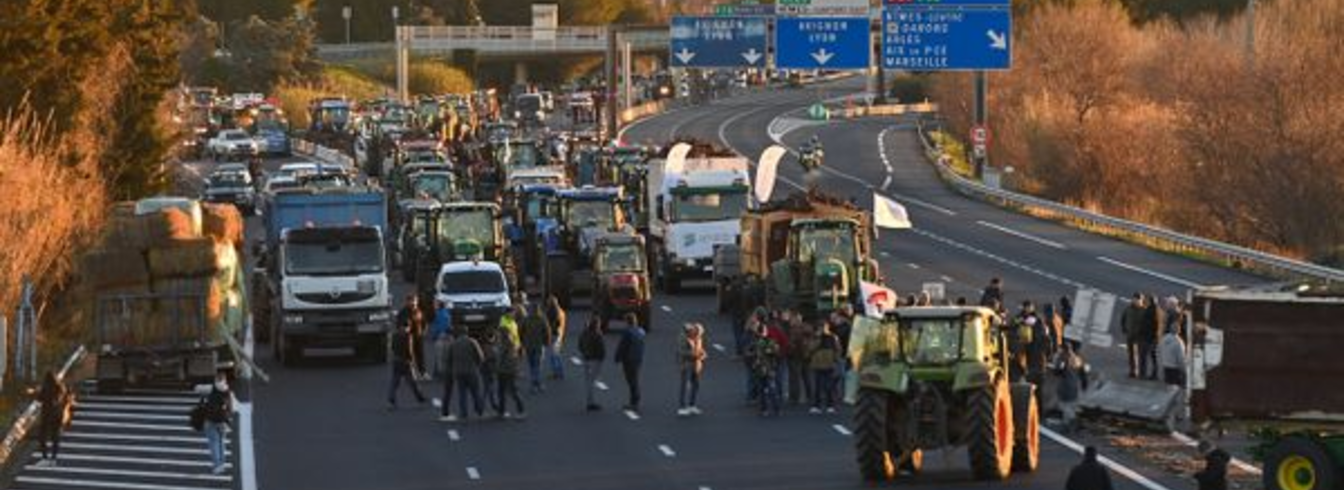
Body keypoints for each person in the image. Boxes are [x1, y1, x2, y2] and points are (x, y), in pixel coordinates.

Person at [442, 328, 486, 422]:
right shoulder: (472, 342)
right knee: (476, 392)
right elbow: (480, 356)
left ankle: (463, 414)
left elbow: (449, 359)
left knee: (462, 394)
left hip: (458, 372)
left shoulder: (454, 344)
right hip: (471, 370)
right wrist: (477, 365)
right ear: (467, 333)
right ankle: (479, 411)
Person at [388, 318, 428, 409]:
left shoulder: (394, 335)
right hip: (405, 361)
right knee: (412, 382)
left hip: (396, 360)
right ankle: (420, 398)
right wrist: (412, 360)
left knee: (395, 381)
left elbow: (392, 347)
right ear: (407, 327)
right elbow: (409, 349)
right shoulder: (407, 336)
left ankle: (391, 398)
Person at [33, 371, 69, 467]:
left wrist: (35, 391)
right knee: (55, 437)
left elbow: (39, 399)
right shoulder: (61, 387)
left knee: (42, 437)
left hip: (47, 415)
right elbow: (66, 399)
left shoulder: (46, 388)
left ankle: (45, 458)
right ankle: (54, 459)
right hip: (58, 415)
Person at [614, 313, 647, 413]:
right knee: (634, 379)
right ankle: (634, 401)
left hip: (629, 360)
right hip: (638, 358)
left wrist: (617, 357)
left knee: (632, 381)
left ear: (627, 322)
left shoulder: (627, 332)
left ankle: (634, 402)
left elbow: (623, 346)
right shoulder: (641, 331)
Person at [202, 371, 233, 475]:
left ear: (216, 380)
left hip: (211, 421)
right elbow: (230, 409)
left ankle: (217, 465)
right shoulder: (227, 391)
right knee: (221, 443)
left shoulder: (213, 391)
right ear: (225, 380)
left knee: (213, 444)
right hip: (223, 422)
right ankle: (222, 464)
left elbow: (209, 408)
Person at [751, 321, 784, 417]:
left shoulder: (770, 341)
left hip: (768, 368)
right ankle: (766, 409)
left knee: (771, 389)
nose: (763, 332)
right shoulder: (756, 342)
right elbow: (748, 352)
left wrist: (771, 351)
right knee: (764, 390)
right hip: (762, 368)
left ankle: (774, 409)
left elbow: (777, 352)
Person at [809, 322, 842, 414]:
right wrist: (817, 338)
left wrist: (836, 360)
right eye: (821, 327)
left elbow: (838, 349)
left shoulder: (833, 337)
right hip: (817, 364)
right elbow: (810, 348)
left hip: (829, 364)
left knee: (829, 386)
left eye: (825, 327)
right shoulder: (815, 337)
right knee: (817, 386)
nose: (823, 329)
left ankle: (830, 405)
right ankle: (816, 405)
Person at [495, 327, 527, 419]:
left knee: (512, 391)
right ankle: (502, 411)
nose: (498, 335)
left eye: (499, 334)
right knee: (502, 391)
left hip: (507, 371)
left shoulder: (508, 345)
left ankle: (521, 411)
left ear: (503, 335)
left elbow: (507, 359)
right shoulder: (504, 344)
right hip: (503, 370)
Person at [1054, 343, 1087, 433]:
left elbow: (1058, 372)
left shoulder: (1062, 359)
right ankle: (1070, 424)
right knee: (1071, 406)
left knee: (1065, 406)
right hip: (1074, 385)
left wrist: (1059, 368)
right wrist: (1084, 384)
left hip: (1065, 386)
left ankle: (1070, 423)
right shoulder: (1076, 358)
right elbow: (1082, 372)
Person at [676, 323, 708, 416]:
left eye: (699, 335)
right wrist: (696, 355)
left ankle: (692, 405)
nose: (698, 336)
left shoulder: (698, 338)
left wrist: (703, 354)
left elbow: (700, 349)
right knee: (685, 386)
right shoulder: (683, 338)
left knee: (696, 385)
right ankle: (682, 407)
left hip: (696, 365)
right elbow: (681, 352)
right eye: (697, 334)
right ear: (693, 330)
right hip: (686, 365)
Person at [520, 303, 552, 393]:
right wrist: (547, 342)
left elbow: (521, 331)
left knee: (531, 365)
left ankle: (534, 384)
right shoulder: (542, 320)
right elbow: (547, 331)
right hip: (539, 345)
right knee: (537, 365)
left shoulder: (526, 319)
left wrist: (522, 342)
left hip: (528, 345)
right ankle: (537, 383)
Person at [397, 295, 428, 380]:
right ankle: (410, 374)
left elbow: (423, 321)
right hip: (408, 338)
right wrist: (405, 329)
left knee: (420, 355)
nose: (414, 303)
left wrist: (424, 330)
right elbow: (400, 325)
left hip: (418, 336)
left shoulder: (418, 311)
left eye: (415, 301)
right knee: (409, 356)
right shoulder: (403, 312)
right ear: (407, 302)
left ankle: (423, 373)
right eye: (412, 301)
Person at [579, 318, 607, 411]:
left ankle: (590, 401)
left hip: (586, 359)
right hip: (595, 360)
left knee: (588, 381)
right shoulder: (597, 334)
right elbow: (601, 348)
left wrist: (583, 353)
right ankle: (591, 403)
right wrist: (602, 357)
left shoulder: (584, 334)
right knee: (591, 381)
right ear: (596, 325)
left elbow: (580, 345)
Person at [1120, 293, 1148, 378]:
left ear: (1141, 300)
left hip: (1140, 336)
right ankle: (1133, 371)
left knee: (1140, 355)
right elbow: (1123, 319)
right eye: (1134, 299)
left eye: (1138, 299)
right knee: (1131, 354)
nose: (1135, 301)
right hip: (1130, 335)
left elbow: (1148, 323)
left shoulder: (1144, 310)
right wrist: (1124, 329)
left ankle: (1140, 372)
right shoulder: (1128, 309)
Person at [1142, 293, 1165, 380]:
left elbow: (1150, 325)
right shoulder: (1159, 311)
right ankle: (1154, 373)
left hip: (1151, 338)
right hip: (1155, 337)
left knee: (1151, 356)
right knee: (1154, 357)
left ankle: (1154, 374)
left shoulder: (1150, 310)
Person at [545, 296, 567, 380]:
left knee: (554, 356)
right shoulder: (561, 311)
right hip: (559, 334)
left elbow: (549, 324)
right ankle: (559, 373)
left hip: (554, 334)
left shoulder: (552, 311)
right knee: (556, 355)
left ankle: (557, 373)